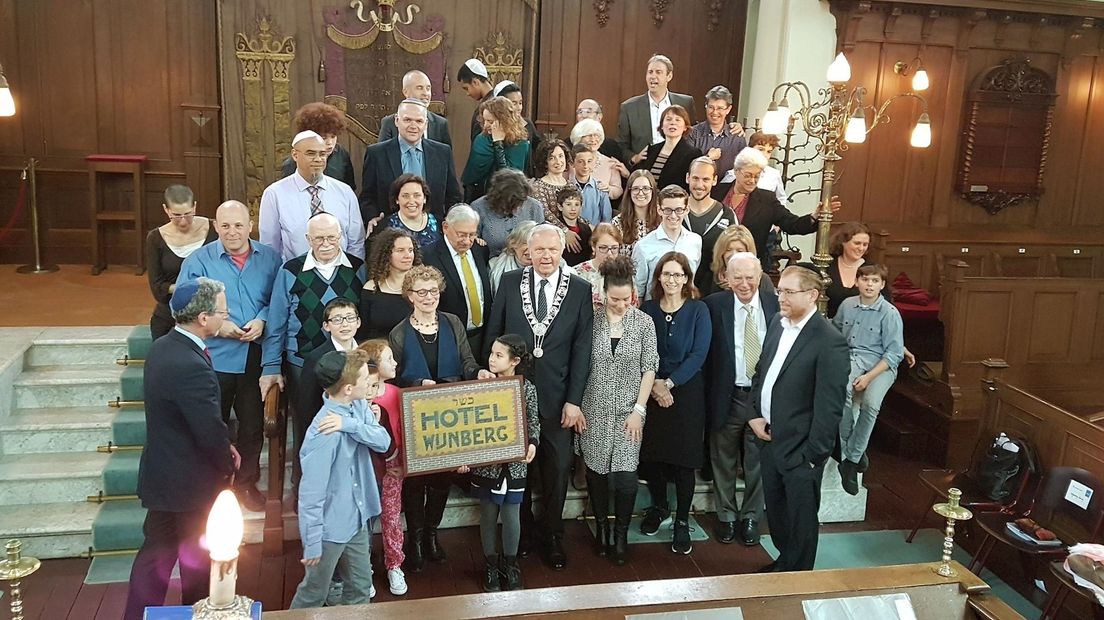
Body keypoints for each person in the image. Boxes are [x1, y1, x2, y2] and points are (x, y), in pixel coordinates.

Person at [124, 278, 238, 620]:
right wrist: (227, 463)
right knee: (198, 565)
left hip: (162, 477)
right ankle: (199, 613)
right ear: (203, 318)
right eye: (222, 310)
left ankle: (135, 616)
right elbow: (206, 429)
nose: (226, 315)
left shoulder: (163, 346)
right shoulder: (191, 366)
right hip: (191, 486)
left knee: (153, 558)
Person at [483, 223, 595, 571]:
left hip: (558, 397)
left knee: (558, 468)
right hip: (513, 396)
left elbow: (582, 349)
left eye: (553, 250)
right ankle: (526, 531)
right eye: (539, 250)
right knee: (521, 469)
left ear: (562, 251)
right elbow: (494, 332)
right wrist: (491, 378)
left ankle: (553, 535)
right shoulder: (510, 282)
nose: (546, 256)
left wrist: (574, 400)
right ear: (528, 252)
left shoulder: (578, 289)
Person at [176, 200, 282, 512]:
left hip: (254, 355)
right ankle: (214, 484)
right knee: (213, 423)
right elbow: (180, 308)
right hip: (212, 356)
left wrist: (263, 318)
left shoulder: (271, 258)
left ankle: (247, 483)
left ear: (250, 225)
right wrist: (219, 327)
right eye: (225, 226)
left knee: (252, 425)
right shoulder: (199, 261)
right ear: (215, 227)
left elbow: (279, 299)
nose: (232, 232)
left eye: (238, 225)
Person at [749, 264, 849, 573]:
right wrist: (754, 414)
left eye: (789, 292)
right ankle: (785, 563)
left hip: (801, 448)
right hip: (768, 438)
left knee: (801, 520)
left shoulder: (829, 340)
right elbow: (761, 373)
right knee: (778, 512)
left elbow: (830, 405)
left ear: (813, 295)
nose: (781, 297)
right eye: (780, 290)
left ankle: (798, 577)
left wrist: (813, 456)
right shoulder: (779, 323)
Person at [260, 213, 367, 491]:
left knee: (348, 424)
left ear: (341, 236)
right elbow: (276, 321)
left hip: (348, 363)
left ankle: (345, 488)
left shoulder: (357, 268)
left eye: (332, 237)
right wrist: (271, 366)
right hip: (301, 363)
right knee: (308, 426)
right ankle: (304, 486)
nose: (326, 243)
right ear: (308, 240)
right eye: (318, 238)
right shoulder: (291, 270)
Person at [388, 265, 486, 570]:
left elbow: (467, 361)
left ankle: (432, 535)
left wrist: (478, 372)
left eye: (433, 290)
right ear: (409, 296)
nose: (428, 297)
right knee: (416, 480)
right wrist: (418, 385)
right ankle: (415, 540)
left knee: (443, 477)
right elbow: (393, 377)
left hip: (450, 413)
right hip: (416, 416)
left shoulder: (453, 322)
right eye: (421, 292)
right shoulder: (399, 332)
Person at [290, 350, 391, 608]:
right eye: (362, 377)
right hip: (329, 529)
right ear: (347, 388)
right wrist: (312, 542)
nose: (368, 380)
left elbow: (383, 442)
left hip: (356, 517)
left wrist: (350, 425)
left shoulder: (357, 406)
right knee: (314, 593)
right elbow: (311, 494)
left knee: (359, 587)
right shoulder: (322, 433)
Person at [576, 256, 658, 565]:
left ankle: (621, 533)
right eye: (615, 299)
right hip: (592, 410)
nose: (621, 304)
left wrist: (639, 409)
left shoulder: (643, 323)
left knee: (625, 477)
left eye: (627, 298)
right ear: (603, 292)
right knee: (597, 474)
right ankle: (602, 529)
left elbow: (649, 367)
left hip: (629, 412)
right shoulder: (591, 320)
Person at [703, 252, 778, 548]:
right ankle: (726, 515)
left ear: (759, 278)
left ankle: (750, 516)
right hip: (728, 393)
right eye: (738, 277)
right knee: (722, 457)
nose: (744, 284)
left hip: (762, 398)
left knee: (757, 459)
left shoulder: (776, 305)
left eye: (750, 277)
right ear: (727, 278)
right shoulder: (713, 305)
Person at [639, 252, 711, 555]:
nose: (671, 280)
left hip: (686, 393)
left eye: (678, 274)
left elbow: (698, 354)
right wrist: (655, 385)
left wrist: (669, 383)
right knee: (652, 457)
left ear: (686, 279)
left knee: (683, 462)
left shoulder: (698, 310)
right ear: (658, 278)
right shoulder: (647, 309)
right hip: (650, 390)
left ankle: (682, 520)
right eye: (666, 274)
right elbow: (642, 349)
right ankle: (659, 507)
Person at [459, 334, 540, 591]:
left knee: (511, 513)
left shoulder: (527, 388)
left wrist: (532, 443)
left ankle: (511, 564)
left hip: (515, 463)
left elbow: (533, 422)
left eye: (498, 355)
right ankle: (491, 565)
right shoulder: (480, 387)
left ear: (514, 361)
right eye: (491, 353)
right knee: (488, 512)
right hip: (487, 464)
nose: (492, 359)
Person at [833, 263, 904, 495]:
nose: (869, 285)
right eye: (865, 280)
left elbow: (894, 353)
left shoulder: (890, 313)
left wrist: (868, 378)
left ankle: (850, 461)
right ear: (857, 282)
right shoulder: (847, 305)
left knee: (870, 404)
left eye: (875, 281)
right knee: (841, 391)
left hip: (881, 366)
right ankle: (854, 450)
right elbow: (835, 333)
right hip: (852, 359)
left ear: (882, 285)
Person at [260, 131, 365, 261]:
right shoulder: (275, 194)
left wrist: (353, 275)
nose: (318, 159)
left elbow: (356, 243)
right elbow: (270, 247)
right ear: (295, 155)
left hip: (342, 276)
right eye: (311, 153)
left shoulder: (344, 192)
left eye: (322, 154)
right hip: (295, 276)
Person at [360, 99, 462, 228]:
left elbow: (453, 196)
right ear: (397, 121)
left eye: (419, 121)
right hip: (390, 231)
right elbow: (367, 196)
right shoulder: (376, 153)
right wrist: (372, 217)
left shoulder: (442, 152)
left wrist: (450, 223)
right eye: (407, 120)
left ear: (425, 124)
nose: (413, 126)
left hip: (434, 232)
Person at [357, 339, 407, 596]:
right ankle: (363, 569)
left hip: (391, 467)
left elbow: (400, 432)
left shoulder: (396, 394)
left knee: (391, 516)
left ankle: (394, 565)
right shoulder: (354, 404)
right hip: (363, 472)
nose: (395, 362)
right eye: (389, 358)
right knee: (364, 521)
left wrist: (400, 462)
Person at [724, 147, 820, 270]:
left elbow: (791, 223)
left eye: (757, 176)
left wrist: (813, 217)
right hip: (714, 265)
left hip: (748, 266)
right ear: (736, 171)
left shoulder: (767, 200)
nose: (752, 181)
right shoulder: (718, 191)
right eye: (748, 175)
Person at [146, 185, 216, 339]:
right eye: (176, 216)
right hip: (171, 312)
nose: (183, 222)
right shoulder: (155, 238)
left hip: (211, 311)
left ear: (195, 207)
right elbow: (157, 287)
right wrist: (189, 288)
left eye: (188, 214)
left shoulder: (214, 229)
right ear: (166, 209)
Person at [421, 204, 492, 355]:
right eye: (461, 234)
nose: (467, 241)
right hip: (447, 339)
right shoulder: (428, 256)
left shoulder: (481, 250)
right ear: (446, 227)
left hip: (482, 336)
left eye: (472, 235)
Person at [299, 298, 362, 447]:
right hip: (331, 431)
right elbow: (308, 404)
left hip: (363, 426)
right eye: (337, 320)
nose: (345, 324)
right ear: (326, 326)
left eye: (350, 318)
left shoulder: (367, 352)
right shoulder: (316, 358)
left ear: (358, 322)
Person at [618, 55, 695, 162]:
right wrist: (634, 158)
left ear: (669, 76)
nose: (653, 76)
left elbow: (692, 135)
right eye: (650, 72)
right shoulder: (629, 107)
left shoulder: (685, 103)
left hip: (679, 165)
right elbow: (622, 145)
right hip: (644, 168)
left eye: (658, 72)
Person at [631, 185, 702, 300]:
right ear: (659, 210)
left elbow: (691, 280)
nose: (673, 215)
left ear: (687, 210)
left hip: (686, 308)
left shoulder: (695, 241)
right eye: (668, 210)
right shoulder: (643, 246)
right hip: (654, 311)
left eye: (679, 210)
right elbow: (638, 291)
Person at [683, 156, 736, 295]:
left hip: (714, 291)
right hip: (677, 290)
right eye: (695, 178)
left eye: (705, 179)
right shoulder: (673, 213)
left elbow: (736, 252)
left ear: (714, 180)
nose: (700, 185)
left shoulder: (727, 215)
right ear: (687, 178)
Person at [462, 96, 530, 202]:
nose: (485, 125)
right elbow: (471, 177)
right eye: (484, 120)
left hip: (506, 199)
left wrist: (498, 143)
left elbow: (508, 177)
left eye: (490, 121)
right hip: (477, 196)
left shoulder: (520, 144)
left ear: (504, 120)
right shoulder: (481, 139)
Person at [280, 102, 357, 191]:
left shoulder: (341, 154)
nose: (330, 143)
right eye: (324, 137)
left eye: (333, 136)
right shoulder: (293, 163)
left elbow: (349, 189)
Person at [358, 228, 418, 341]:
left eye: (410, 250)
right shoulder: (371, 288)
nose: (408, 255)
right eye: (400, 250)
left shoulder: (423, 287)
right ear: (386, 254)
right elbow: (363, 332)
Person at [471, 168, 545, 257]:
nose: (516, 208)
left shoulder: (535, 206)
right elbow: (472, 241)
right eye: (512, 204)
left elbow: (542, 242)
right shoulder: (478, 207)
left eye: (519, 202)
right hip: (490, 264)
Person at [686, 86, 747, 192]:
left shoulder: (737, 137)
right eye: (711, 107)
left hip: (726, 193)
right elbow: (687, 166)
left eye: (720, 108)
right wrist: (708, 158)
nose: (714, 112)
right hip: (697, 191)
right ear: (705, 106)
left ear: (728, 109)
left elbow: (743, 168)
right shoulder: (693, 133)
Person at [825, 222, 890, 318]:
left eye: (865, 244)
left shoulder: (874, 269)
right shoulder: (827, 265)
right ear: (843, 242)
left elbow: (885, 302)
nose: (861, 248)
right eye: (857, 243)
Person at [634, 105, 702, 192]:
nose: (672, 123)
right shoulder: (652, 149)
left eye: (677, 120)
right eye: (668, 119)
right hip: (648, 200)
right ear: (662, 126)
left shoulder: (693, 154)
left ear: (685, 127)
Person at [378, 70, 452, 146]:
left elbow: (446, 156)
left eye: (428, 88)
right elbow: (381, 155)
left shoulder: (441, 124)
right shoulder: (389, 123)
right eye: (419, 88)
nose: (425, 93)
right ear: (405, 92)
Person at [575, 223, 636, 307]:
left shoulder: (625, 272)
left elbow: (633, 305)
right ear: (593, 246)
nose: (609, 254)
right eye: (603, 248)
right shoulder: (578, 273)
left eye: (614, 248)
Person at [570, 118, 624, 201]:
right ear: (578, 138)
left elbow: (618, 190)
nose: (593, 139)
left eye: (596, 135)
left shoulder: (610, 162)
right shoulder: (569, 161)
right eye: (588, 135)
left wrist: (608, 189)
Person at [492, 80, 542, 166]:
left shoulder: (527, 124)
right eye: (514, 103)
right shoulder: (495, 127)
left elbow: (539, 147)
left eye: (520, 103)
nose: (519, 108)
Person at [384, 174, 442, 248]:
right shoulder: (385, 226)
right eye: (405, 196)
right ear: (397, 199)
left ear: (424, 198)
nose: (411, 201)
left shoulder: (439, 224)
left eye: (417, 195)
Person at [612, 170, 661, 256]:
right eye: (635, 189)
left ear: (652, 191)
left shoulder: (662, 221)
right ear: (629, 192)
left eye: (646, 188)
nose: (640, 193)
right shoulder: (617, 223)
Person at [705, 225, 758, 297]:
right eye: (728, 250)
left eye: (740, 251)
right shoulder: (710, 278)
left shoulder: (762, 280)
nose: (733, 255)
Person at [488, 220, 537, 295]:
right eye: (525, 243)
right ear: (513, 244)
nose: (531, 249)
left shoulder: (551, 266)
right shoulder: (493, 265)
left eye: (536, 245)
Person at [568, 143, 613, 224]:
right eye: (580, 162)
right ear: (572, 163)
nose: (585, 165)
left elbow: (607, 218)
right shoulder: (567, 187)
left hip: (595, 233)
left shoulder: (600, 188)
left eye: (589, 161)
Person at [573, 99, 628, 165]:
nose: (584, 115)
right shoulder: (568, 144)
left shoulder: (611, 147)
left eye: (588, 111)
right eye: (580, 111)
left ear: (599, 117)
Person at [457, 58, 495, 141]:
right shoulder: (500, 101)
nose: (468, 93)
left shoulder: (486, 108)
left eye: (466, 88)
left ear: (475, 82)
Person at [557, 187, 592, 266]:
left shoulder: (586, 229)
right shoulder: (556, 230)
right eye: (568, 204)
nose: (573, 209)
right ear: (560, 207)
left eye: (577, 204)